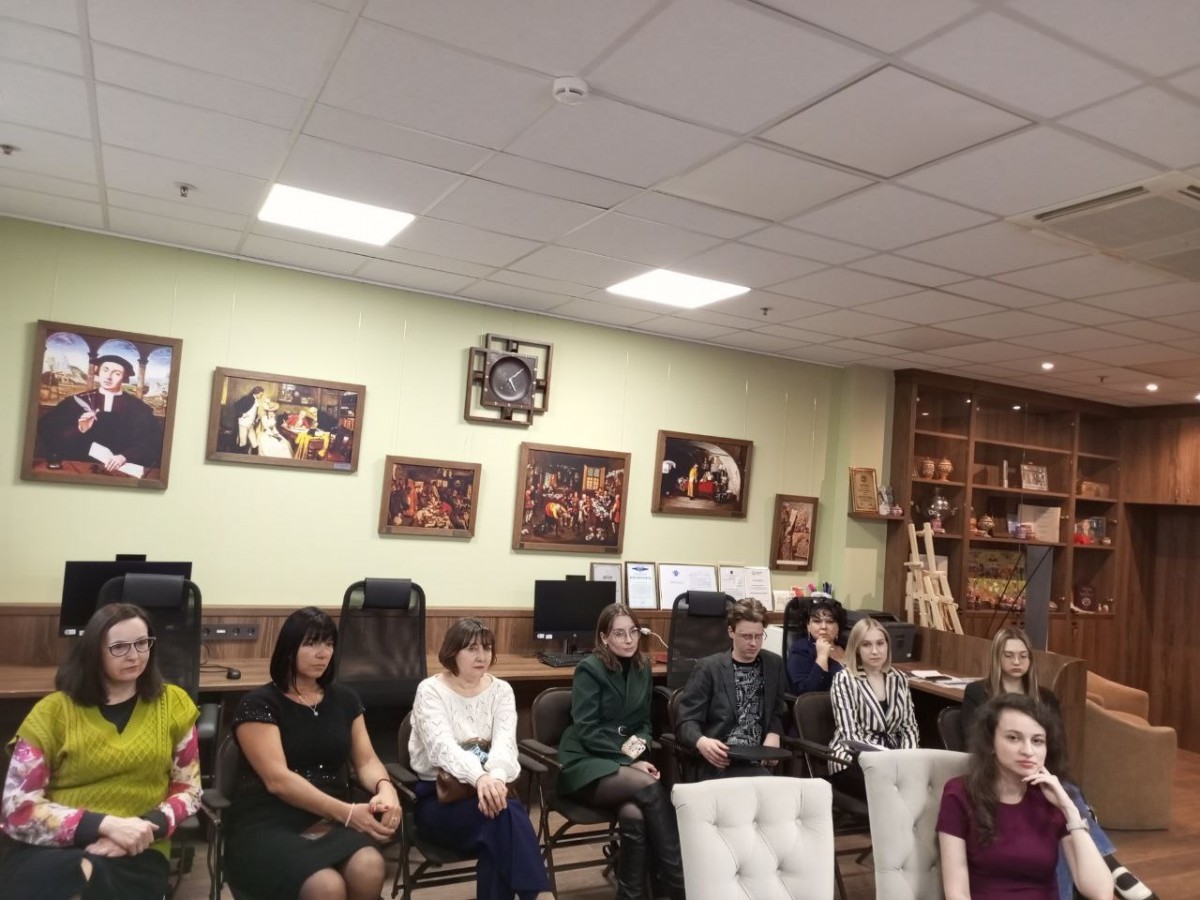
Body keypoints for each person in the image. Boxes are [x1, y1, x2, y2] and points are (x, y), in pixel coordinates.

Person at [0, 603, 200, 900]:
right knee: (73, 877)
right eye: (119, 647)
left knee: (90, 880)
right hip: (53, 844)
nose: (134, 655)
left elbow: (189, 790)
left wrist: (144, 828)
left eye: (142, 643)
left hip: (138, 846)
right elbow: (17, 807)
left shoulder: (174, 704)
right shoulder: (52, 712)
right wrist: (103, 825)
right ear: (94, 652)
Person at [959, 627, 1157, 900]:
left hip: (1040, 772)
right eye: (1009, 655)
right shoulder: (978, 693)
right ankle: (1111, 866)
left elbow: (1055, 746)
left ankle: (1089, 877)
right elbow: (974, 743)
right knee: (1064, 804)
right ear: (997, 658)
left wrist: (1041, 771)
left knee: (1065, 797)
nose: (1017, 662)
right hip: (998, 773)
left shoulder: (1046, 697)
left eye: (1023, 656)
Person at [226, 606, 397, 899]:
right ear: (289, 649)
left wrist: (386, 788)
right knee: (326, 886)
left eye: (328, 644)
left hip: (329, 818)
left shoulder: (345, 699)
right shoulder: (259, 703)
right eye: (311, 643)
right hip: (268, 819)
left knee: (368, 866)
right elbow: (278, 780)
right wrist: (347, 813)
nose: (322, 653)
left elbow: (367, 761)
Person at [408, 618, 550, 900]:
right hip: (441, 800)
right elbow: (441, 748)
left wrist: (494, 777)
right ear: (452, 651)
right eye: (472, 648)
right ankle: (542, 896)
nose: (482, 656)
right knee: (505, 816)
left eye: (487, 647)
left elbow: (506, 745)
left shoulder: (501, 690)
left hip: (491, 794)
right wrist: (480, 777)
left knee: (499, 827)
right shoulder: (430, 690)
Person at [557, 604, 685, 900]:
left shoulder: (642, 667)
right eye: (619, 633)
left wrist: (633, 756)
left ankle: (631, 895)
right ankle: (679, 887)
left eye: (633, 632)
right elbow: (587, 729)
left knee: (635, 816)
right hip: (585, 761)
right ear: (604, 637)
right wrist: (629, 762)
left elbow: (643, 725)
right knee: (651, 788)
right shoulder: (590, 668)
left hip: (622, 761)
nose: (628, 640)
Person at [938, 693, 1114, 900]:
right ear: (991, 742)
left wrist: (1070, 810)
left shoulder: (1052, 797)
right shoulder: (959, 792)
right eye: (1013, 738)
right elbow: (957, 892)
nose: (1028, 751)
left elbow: (1101, 892)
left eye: (1037, 741)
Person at [675, 598, 788, 779]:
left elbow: (777, 709)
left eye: (759, 636)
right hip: (720, 759)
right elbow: (686, 720)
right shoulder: (709, 668)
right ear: (731, 632)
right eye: (746, 636)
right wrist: (701, 741)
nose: (754, 643)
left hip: (757, 757)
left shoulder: (774, 664)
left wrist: (774, 733)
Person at [827, 616, 919, 800]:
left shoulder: (899, 679)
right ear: (857, 648)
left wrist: (908, 760)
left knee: (919, 786)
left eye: (880, 643)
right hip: (853, 759)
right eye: (866, 645)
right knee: (891, 791)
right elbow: (850, 735)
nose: (875, 651)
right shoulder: (845, 679)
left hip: (895, 758)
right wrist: (884, 762)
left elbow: (909, 728)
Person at [36, 353, 160, 472]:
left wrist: (125, 456)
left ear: (124, 378)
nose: (108, 377)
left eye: (117, 373)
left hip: (123, 470)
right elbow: (47, 429)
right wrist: (79, 429)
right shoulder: (77, 401)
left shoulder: (138, 408)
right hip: (81, 466)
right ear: (98, 371)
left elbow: (152, 440)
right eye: (105, 370)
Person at [786, 594, 848, 695]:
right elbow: (807, 694)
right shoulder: (800, 649)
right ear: (808, 626)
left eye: (830, 621)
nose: (823, 626)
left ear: (838, 627)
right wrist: (822, 657)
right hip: (826, 703)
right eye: (817, 621)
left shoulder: (846, 646)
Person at [233, 385, 264, 452]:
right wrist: (242, 414)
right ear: (256, 393)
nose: (261, 396)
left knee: (254, 444)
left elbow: (253, 411)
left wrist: (256, 418)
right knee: (243, 443)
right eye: (261, 394)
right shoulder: (248, 398)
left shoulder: (255, 400)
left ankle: (253, 455)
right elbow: (236, 405)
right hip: (243, 424)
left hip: (250, 424)